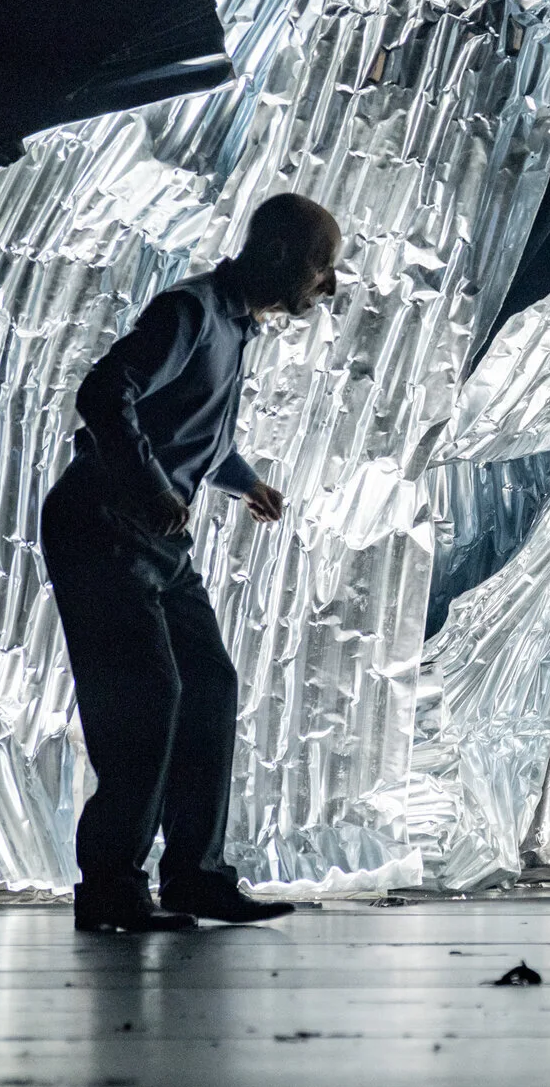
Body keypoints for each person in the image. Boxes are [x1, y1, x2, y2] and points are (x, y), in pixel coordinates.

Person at [43, 193, 341, 932]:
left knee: (208, 686)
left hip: (154, 542)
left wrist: (244, 481)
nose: (329, 284)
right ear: (280, 254)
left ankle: (195, 879)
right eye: (321, 265)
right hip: (101, 527)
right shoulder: (191, 311)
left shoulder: (234, 327)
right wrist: (149, 485)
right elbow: (104, 393)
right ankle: (111, 889)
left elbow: (190, 427)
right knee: (148, 699)